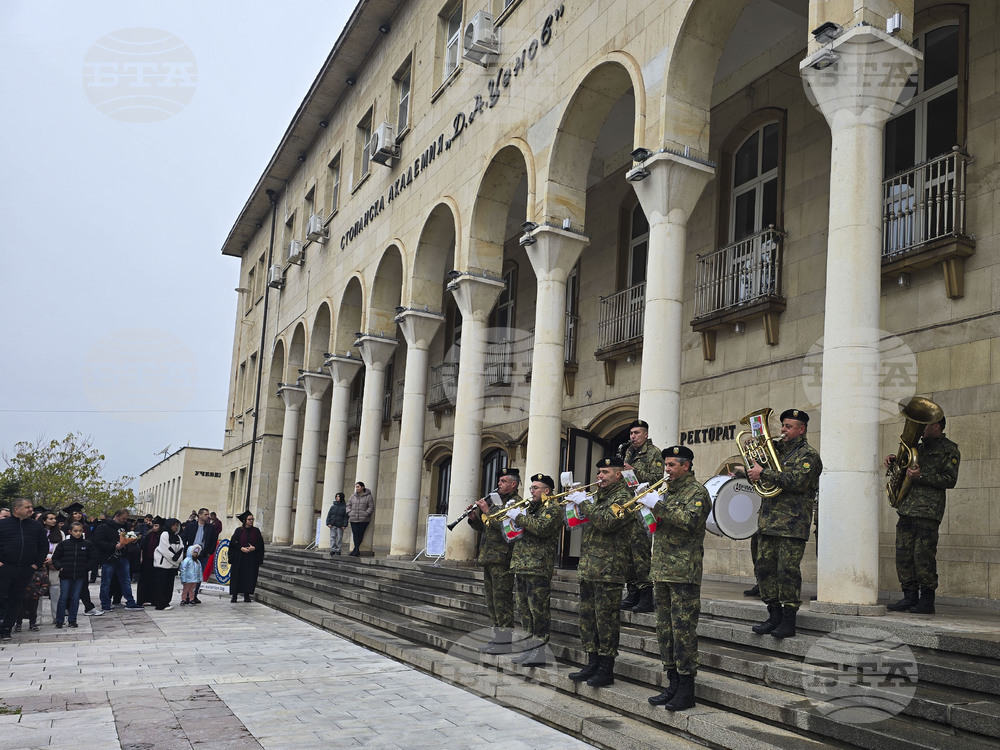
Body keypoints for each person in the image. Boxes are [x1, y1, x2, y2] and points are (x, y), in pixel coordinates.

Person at [641, 446, 710, 711]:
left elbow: (690, 521)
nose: (666, 470)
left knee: (683, 632)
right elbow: (655, 526)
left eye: (671, 465)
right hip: (661, 570)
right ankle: (671, 683)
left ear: (686, 466)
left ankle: (686, 688)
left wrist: (656, 505)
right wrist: (646, 509)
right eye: (665, 465)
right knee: (665, 631)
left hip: (684, 572)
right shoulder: (665, 490)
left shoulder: (698, 492)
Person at [747, 408, 822, 639]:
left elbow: (797, 481)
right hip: (769, 521)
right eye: (783, 426)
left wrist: (764, 473)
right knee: (764, 570)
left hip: (792, 524)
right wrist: (753, 461)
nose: (783, 430)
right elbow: (758, 472)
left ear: (802, 429)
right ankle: (773, 616)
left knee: (787, 571)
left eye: (788, 426)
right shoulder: (775, 451)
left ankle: (788, 621)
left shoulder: (808, 455)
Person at [884, 415, 960, 615]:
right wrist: (894, 461)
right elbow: (901, 469)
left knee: (923, 555)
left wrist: (922, 476)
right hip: (907, 508)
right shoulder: (915, 448)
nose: (921, 429)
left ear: (936, 426)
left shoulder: (949, 449)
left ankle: (927, 600)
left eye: (924, 424)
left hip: (928, 511)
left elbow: (950, 479)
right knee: (903, 554)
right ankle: (909, 596)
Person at [568, 457, 631, 688]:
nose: (600, 477)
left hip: (608, 569)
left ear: (618, 474)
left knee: (606, 621)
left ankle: (606, 667)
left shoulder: (624, 497)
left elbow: (606, 522)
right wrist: (574, 505)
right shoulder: (597, 497)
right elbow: (580, 521)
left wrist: (583, 503)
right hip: (589, 568)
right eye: (599, 473)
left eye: (605, 472)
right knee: (588, 619)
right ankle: (592, 661)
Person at [507, 473, 562, 668]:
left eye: (536, 488)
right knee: (524, 611)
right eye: (531, 488)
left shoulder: (553, 509)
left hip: (538, 566)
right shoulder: (529, 508)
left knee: (538, 611)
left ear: (546, 490)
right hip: (522, 565)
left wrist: (519, 517)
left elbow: (542, 528)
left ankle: (539, 652)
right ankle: (529, 649)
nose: (532, 491)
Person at [468, 467, 520, 654]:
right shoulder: (495, 501)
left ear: (513, 484)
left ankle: (505, 641)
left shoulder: (516, 502)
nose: (499, 483)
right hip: (489, 556)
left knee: (502, 600)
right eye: (499, 481)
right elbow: (487, 529)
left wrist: (487, 511)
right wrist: (474, 518)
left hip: (503, 558)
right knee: (492, 601)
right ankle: (497, 637)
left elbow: (509, 528)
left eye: (504, 481)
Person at [621, 419, 662, 613]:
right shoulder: (628, 452)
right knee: (628, 555)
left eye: (637, 433)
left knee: (640, 555)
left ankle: (646, 596)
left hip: (642, 509)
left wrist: (633, 471)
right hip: (628, 509)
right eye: (631, 433)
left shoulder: (654, 453)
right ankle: (632, 592)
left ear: (645, 434)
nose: (633, 437)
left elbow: (657, 480)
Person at [0, 498, 48, 641]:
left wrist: (35, 564)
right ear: (17, 509)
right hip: (5, 568)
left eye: (31, 507)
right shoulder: (2, 525)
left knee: (16, 599)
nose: (31, 510)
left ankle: (7, 628)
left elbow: (43, 546)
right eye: (27, 507)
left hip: (25, 569)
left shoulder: (36, 527)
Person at [92, 509, 144, 611]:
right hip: (109, 558)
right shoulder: (104, 527)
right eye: (123, 518)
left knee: (126, 581)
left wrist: (133, 540)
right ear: (116, 516)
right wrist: (114, 546)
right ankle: (105, 603)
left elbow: (131, 537)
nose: (125, 520)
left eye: (126, 519)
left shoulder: (126, 526)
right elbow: (98, 541)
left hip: (123, 557)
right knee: (106, 582)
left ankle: (130, 602)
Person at [51, 521, 99, 629]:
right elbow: (56, 558)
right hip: (65, 574)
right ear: (70, 531)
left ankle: (72, 620)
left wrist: (86, 568)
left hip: (80, 574)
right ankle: (60, 620)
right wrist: (60, 567)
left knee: (75, 597)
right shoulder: (64, 544)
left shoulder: (87, 544)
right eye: (75, 531)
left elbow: (93, 558)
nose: (78, 533)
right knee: (63, 597)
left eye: (80, 531)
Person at [181, 508, 218, 603]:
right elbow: (184, 537)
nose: (207, 516)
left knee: (198, 576)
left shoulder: (210, 528)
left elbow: (214, 540)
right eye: (205, 514)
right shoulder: (191, 526)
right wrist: (185, 550)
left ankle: (194, 595)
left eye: (208, 514)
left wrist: (210, 551)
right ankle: (186, 596)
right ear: (200, 515)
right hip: (191, 553)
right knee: (189, 575)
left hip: (204, 553)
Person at [229, 511, 265, 603]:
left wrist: (254, 548)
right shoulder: (239, 530)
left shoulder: (256, 531)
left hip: (251, 558)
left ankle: (247, 595)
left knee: (249, 576)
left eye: (252, 519)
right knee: (237, 575)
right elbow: (233, 542)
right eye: (249, 519)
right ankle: (234, 595)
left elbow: (260, 543)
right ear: (245, 521)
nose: (251, 521)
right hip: (239, 557)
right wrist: (240, 548)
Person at [152, 518, 185, 610]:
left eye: (176, 525)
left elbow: (181, 549)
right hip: (163, 564)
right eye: (173, 525)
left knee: (169, 585)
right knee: (161, 585)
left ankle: (166, 602)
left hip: (172, 566)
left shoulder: (178, 537)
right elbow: (165, 549)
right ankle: (160, 604)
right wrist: (174, 559)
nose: (175, 527)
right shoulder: (164, 534)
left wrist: (177, 560)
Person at [41, 511, 63, 624]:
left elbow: (62, 550)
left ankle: (57, 617)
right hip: (40, 565)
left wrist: (53, 559)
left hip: (54, 565)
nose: (53, 520)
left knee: (55, 593)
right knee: (38, 593)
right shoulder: (39, 532)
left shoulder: (60, 534)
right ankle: (36, 618)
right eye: (50, 518)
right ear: (44, 520)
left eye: (54, 518)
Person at [137, 517, 163, 606]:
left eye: (157, 526)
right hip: (147, 559)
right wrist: (141, 558)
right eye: (154, 525)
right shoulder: (149, 534)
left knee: (154, 581)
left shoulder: (162, 536)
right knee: (144, 580)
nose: (154, 527)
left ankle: (154, 599)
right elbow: (142, 547)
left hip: (157, 561)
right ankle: (142, 599)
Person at [346, 482, 375, 556]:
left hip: (363, 519)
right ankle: (356, 550)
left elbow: (371, 507)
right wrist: (349, 512)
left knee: (360, 534)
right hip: (353, 518)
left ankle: (356, 550)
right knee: (355, 534)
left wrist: (366, 514)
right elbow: (348, 505)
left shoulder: (368, 497)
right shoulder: (353, 496)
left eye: (358, 487)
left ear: (362, 487)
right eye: (356, 487)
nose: (357, 488)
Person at [325, 492, 349, 556]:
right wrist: (328, 523)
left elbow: (346, 517)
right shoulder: (333, 507)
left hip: (340, 525)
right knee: (332, 537)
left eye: (338, 496)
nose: (337, 498)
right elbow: (329, 515)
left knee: (339, 537)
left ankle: (338, 549)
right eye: (336, 496)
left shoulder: (344, 507)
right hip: (332, 524)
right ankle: (333, 549)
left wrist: (344, 525)